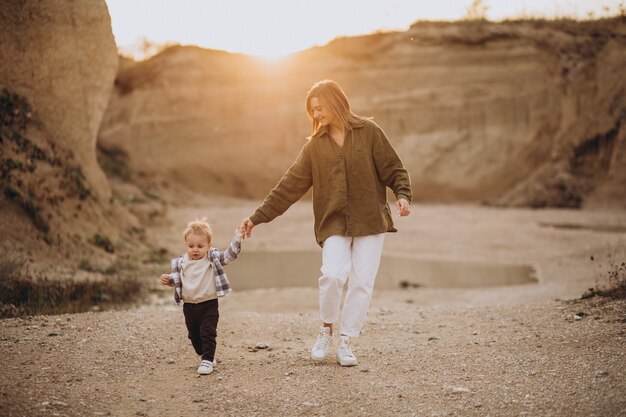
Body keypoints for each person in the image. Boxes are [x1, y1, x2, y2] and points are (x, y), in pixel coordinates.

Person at [240, 79, 411, 367]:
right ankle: (326, 330)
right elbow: (288, 187)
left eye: (319, 108)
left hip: (371, 218)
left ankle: (346, 340)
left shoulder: (369, 132)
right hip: (333, 222)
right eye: (312, 110)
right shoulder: (314, 147)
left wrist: (403, 195)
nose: (316, 115)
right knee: (332, 275)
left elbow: (394, 168)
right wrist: (257, 217)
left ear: (336, 102)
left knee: (362, 282)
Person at [160, 218, 244, 375]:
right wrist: (169, 279)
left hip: (209, 304)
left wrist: (237, 237)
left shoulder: (211, 259)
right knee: (193, 335)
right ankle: (204, 354)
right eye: (191, 246)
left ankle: (207, 360)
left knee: (208, 332)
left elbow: (230, 255)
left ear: (209, 246)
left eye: (200, 246)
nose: (195, 250)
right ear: (186, 245)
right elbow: (179, 279)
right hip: (189, 306)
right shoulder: (181, 262)